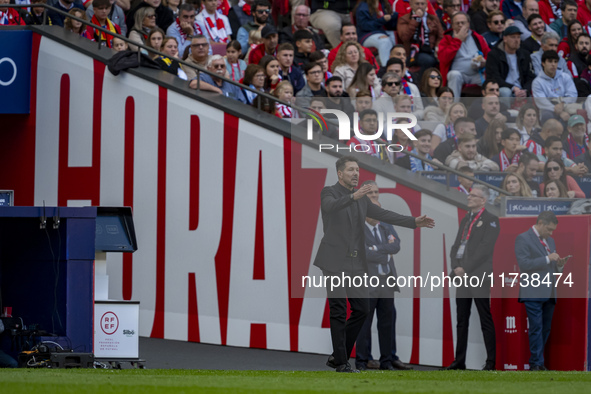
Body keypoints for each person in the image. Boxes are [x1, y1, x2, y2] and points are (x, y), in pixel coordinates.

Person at [317, 156, 434, 373]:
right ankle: (342, 362)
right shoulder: (329, 192)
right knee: (339, 310)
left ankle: (338, 356)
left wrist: (412, 222)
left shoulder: (362, 200)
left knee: (362, 309)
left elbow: (383, 214)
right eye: (351, 170)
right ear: (340, 174)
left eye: (357, 170)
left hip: (356, 262)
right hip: (334, 260)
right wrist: (353, 196)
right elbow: (330, 207)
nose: (356, 173)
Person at [446, 184, 499, 371]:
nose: (468, 198)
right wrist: (455, 266)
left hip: (478, 276)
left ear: (483, 200)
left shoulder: (491, 220)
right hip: (462, 276)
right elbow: (456, 246)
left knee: (485, 317)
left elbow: (484, 250)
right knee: (461, 319)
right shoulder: (466, 219)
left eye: (473, 196)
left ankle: (491, 362)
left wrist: (464, 268)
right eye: (469, 195)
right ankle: (459, 361)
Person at [515, 211, 569, 371]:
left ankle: (538, 361)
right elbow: (524, 264)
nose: (551, 233)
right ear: (541, 223)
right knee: (536, 327)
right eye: (550, 229)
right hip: (532, 291)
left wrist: (559, 264)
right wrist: (547, 258)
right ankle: (536, 363)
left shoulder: (550, 240)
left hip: (550, 291)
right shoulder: (523, 238)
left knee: (545, 328)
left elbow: (552, 268)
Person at [355, 197, 402, 371]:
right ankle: (361, 361)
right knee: (364, 324)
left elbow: (396, 246)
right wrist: (385, 253)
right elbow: (364, 254)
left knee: (386, 324)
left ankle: (386, 361)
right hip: (367, 283)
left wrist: (376, 249)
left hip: (387, 282)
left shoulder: (385, 226)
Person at [485, 25, 535, 99]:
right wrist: (513, 88)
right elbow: (494, 78)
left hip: (521, 89)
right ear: (505, 39)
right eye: (513, 37)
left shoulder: (525, 54)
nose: (516, 40)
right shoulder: (494, 55)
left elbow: (531, 77)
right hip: (503, 88)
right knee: (506, 92)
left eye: (518, 37)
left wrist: (525, 90)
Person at [397, 0, 443, 78]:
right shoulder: (404, 19)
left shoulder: (433, 19)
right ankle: (423, 85)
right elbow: (405, 37)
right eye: (417, 4)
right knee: (428, 60)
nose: (420, 6)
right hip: (413, 53)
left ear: (426, 5)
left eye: (422, 4)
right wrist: (415, 20)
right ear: (411, 5)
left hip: (431, 50)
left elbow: (441, 36)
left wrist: (437, 47)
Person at [531, 50, 577, 123]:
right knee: (547, 116)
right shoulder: (537, 82)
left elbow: (573, 94)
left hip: (566, 106)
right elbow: (542, 102)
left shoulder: (565, 77)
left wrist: (562, 104)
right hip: (548, 110)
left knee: (578, 116)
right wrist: (560, 112)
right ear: (543, 63)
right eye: (550, 61)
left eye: (555, 62)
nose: (553, 64)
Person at [354, 0, 398, 67]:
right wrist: (382, 20)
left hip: (381, 31)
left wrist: (393, 17)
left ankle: (398, 66)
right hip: (366, 35)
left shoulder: (383, 3)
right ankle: (386, 68)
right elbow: (364, 26)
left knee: (395, 37)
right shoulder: (363, 6)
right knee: (384, 41)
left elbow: (389, 26)